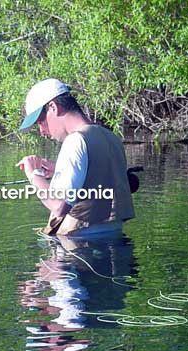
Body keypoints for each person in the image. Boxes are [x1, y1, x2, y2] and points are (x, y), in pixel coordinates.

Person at [16, 78, 135, 236]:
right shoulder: (111, 137)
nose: (41, 131)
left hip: (79, 246)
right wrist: (59, 170)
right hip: (116, 242)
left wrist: (34, 175)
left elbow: (59, 206)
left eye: (40, 121)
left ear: (53, 107)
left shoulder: (74, 141)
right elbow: (99, 177)